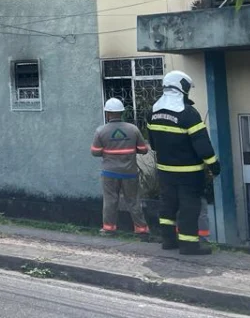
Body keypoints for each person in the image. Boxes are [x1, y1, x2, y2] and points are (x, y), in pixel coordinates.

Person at [147, 71, 221, 255]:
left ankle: (168, 241)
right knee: (189, 207)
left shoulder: (152, 112)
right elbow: (202, 144)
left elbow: (154, 145)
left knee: (168, 205)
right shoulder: (188, 114)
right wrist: (213, 165)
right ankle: (189, 245)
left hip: (165, 172)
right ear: (181, 88)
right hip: (189, 173)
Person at [92, 98, 150, 236]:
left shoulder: (101, 131)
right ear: (122, 113)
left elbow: (94, 151)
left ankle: (108, 229)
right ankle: (141, 229)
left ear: (107, 113)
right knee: (133, 200)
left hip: (110, 173)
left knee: (110, 201)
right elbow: (143, 149)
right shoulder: (133, 129)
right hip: (130, 172)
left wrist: (108, 151)